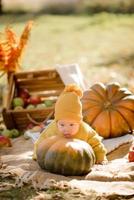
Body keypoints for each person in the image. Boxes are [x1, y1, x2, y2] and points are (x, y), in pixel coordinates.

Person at [33, 84, 107, 164]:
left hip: (79, 160)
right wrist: (37, 155)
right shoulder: (52, 129)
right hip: (58, 159)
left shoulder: (85, 130)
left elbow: (96, 144)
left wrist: (100, 157)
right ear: (56, 121)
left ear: (79, 122)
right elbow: (41, 142)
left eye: (71, 124)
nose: (66, 129)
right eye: (62, 125)